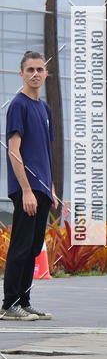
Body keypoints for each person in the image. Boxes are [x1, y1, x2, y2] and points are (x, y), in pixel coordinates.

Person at [0, 52, 58, 321]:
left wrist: (51, 188)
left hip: (42, 188)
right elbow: (14, 150)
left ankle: (24, 302)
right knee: (21, 246)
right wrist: (25, 190)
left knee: (33, 247)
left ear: (46, 73)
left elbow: (45, 151)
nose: (35, 74)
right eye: (30, 70)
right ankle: (9, 305)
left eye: (39, 69)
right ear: (21, 74)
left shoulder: (44, 109)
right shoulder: (18, 105)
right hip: (26, 188)